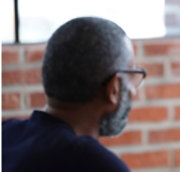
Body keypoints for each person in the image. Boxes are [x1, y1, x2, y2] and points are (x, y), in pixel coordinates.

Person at [2, 17, 146, 172]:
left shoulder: (6, 133)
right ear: (114, 89)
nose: (133, 90)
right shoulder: (95, 164)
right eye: (132, 75)